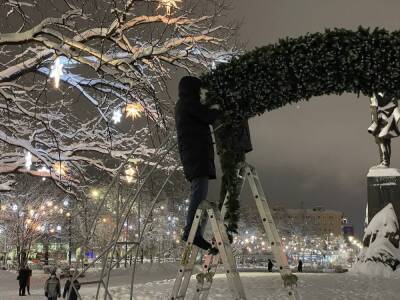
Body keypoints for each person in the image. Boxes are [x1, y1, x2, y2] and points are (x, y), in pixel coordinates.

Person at [175, 76, 220, 253]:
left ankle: (195, 232)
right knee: (198, 193)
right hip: (196, 155)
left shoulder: (184, 104)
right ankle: (191, 232)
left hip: (194, 155)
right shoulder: (188, 103)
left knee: (199, 193)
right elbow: (208, 116)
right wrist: (219, 109)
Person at [368, 92, 400, 167]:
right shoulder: (390, 92)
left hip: (380, 120)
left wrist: (375, 123)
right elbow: (394, 104)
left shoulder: (374, 93)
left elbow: (374, 107)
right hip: (387, 120)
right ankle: (385, 162)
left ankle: (385, 161)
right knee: (386, 141)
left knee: (381, 141)